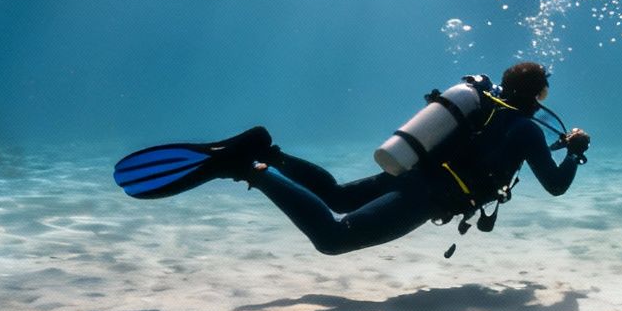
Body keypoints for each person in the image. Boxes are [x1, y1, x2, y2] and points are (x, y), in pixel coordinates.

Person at [201, 61, 589, 255]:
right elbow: (555, 186)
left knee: (336, 195)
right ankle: (252, 168)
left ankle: (271, 154)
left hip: (414, 174)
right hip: (430, 196)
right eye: (544, 93)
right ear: (538, 95)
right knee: (333, 239)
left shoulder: (486, 109)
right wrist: (574, 153)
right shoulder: (527, 129)